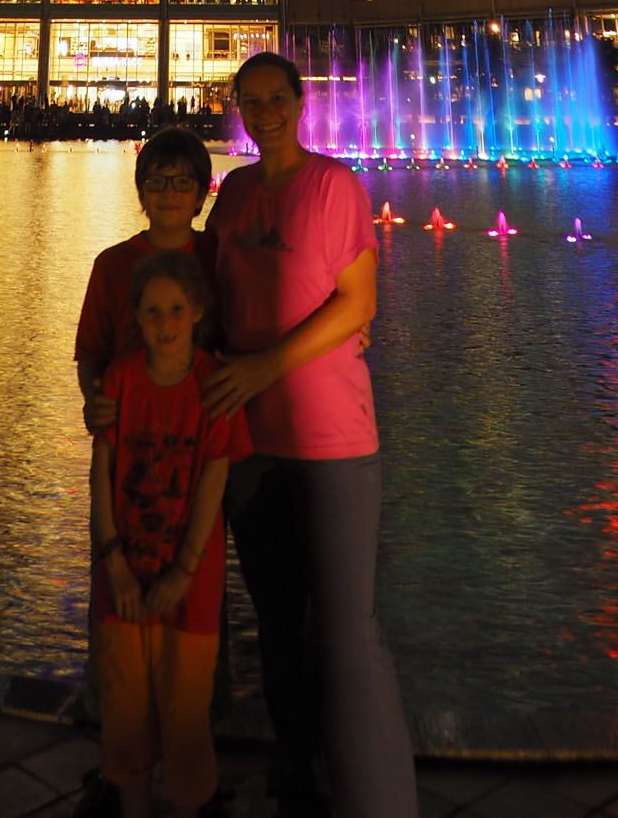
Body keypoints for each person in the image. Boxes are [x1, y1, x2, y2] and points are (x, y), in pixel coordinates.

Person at [204, 51, 416, 818]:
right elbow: (210, 299)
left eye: (276, 98)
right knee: (276, 619)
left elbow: (357, 303)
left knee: (348, 628)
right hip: (251, 443)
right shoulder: (233, 193)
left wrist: (265, 366)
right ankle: (298, 771)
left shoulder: (334, 185)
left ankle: (376, 797)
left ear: (300, 104)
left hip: (331, 440)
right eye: (250, 100)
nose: (264, 112)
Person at [91, 251, 252, 818]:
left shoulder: (213, 386)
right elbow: (101, 472)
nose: (165, 323)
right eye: (153, 311)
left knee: (186, 720)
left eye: (177, 309)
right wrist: (115, 565)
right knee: (125, 715)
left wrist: (184, 569)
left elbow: (214, 477)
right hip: (123, 583)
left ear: (198, 312)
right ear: (136, 316)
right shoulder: (121, 379)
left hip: (190, 588)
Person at [76, 127, 215, 435]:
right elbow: (91, 352)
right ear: (141, 194)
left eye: (182, 182)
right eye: (156, 182)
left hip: (202, 423)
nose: (169, 193)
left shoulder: (218, 258)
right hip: (131, 421)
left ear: (200, 197)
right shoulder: (111, 264)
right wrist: (96, 400)